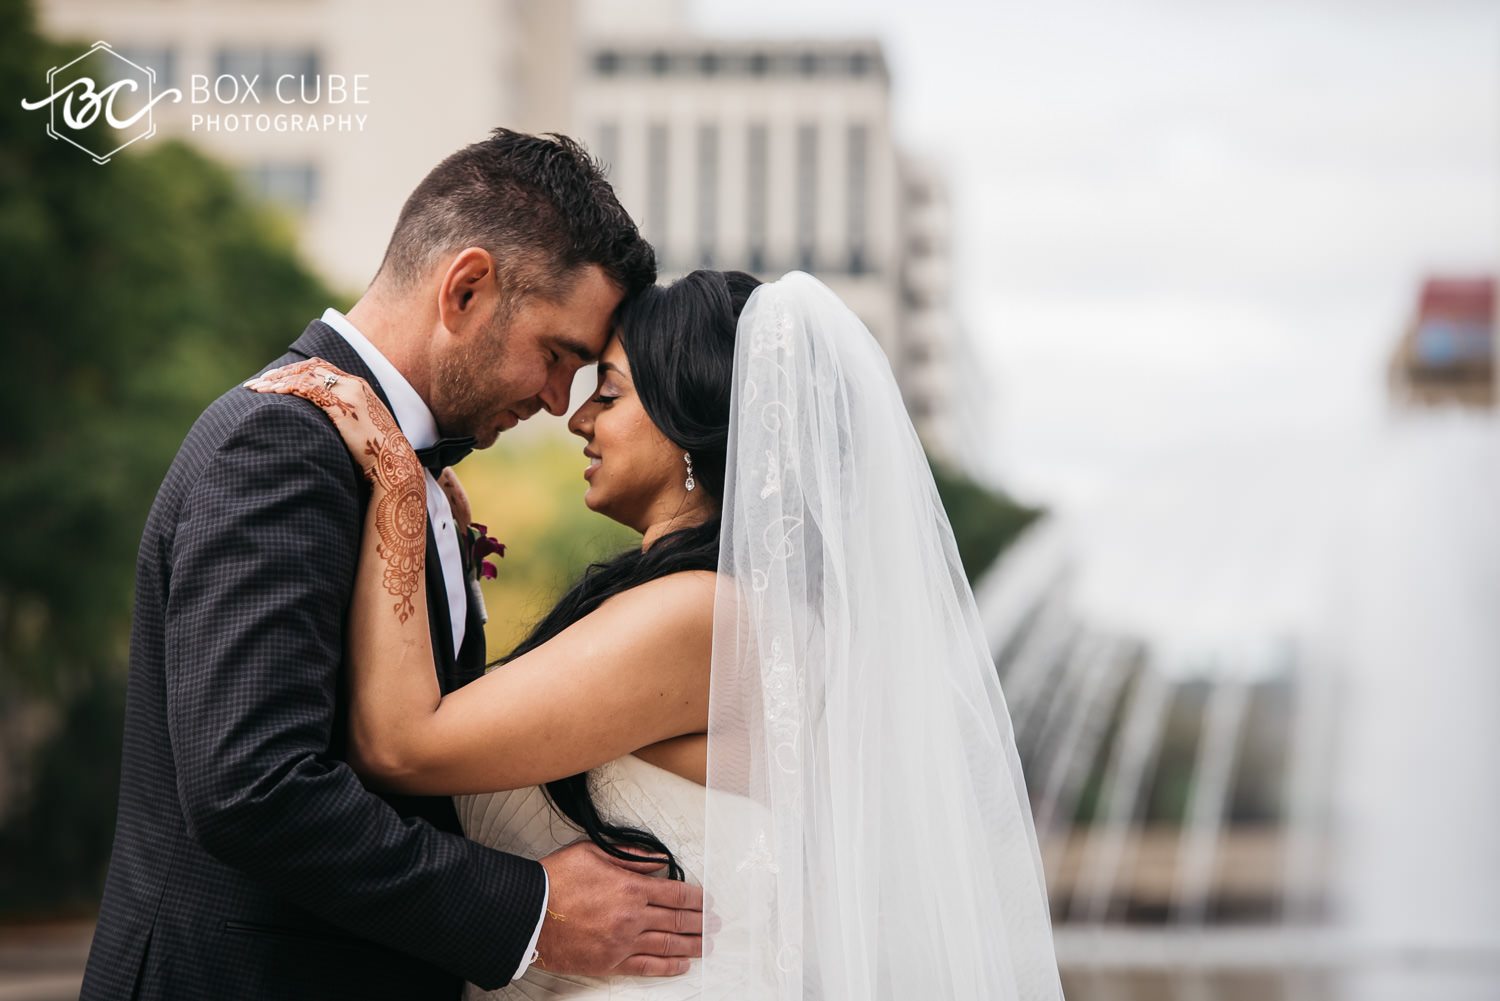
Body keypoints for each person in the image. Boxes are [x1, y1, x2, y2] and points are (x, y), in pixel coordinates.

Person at [250, 269, 1064, 999]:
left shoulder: (700, 615)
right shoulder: (734, 612)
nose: (579, 419)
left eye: (609, 390)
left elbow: (402, 745)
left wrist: (394, 482)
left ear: (685, 423)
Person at [80, 130, 706, 1001]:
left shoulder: (408, 478)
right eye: (559, 355)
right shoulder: (283, 444)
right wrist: (530, 911)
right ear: (467, 288)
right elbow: (252, 785)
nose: (558, 402)